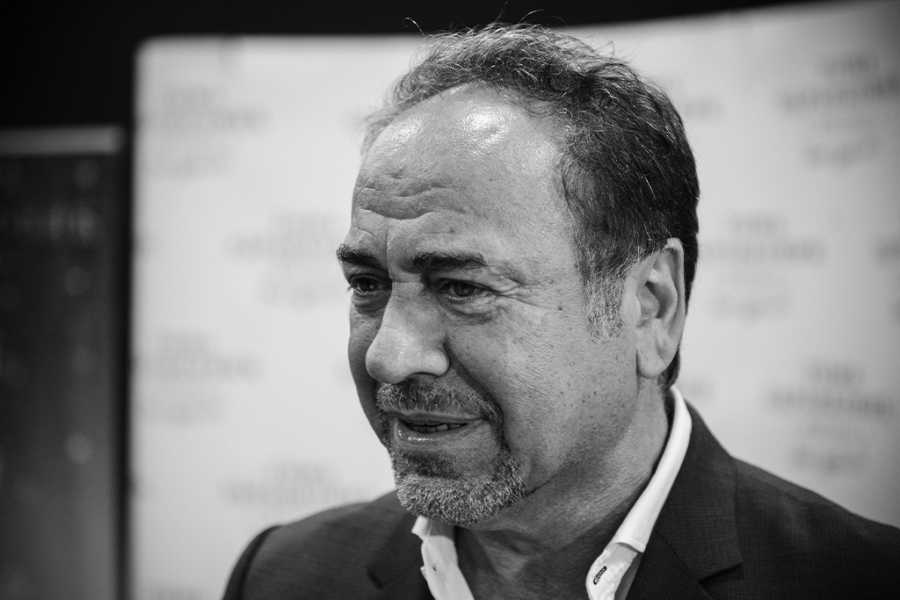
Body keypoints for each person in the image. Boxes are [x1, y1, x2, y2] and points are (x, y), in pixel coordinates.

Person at [223, 24, 900, 600]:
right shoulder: (284, 577)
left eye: (461, 287)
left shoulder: (858, 579)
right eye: (368, 284)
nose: (388, 356)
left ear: (651, 308)